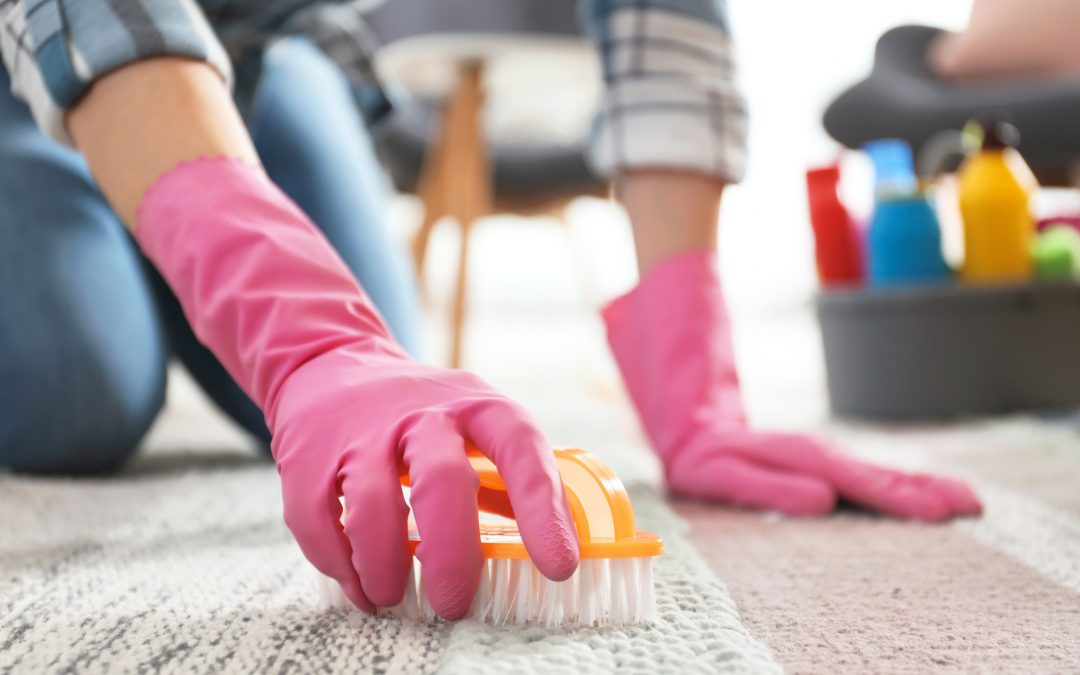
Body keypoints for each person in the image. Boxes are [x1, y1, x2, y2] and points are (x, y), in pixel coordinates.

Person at [0, 0, 980, 620]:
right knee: (77, 391)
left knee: (388, 403)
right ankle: (85, 178)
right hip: (31, 54)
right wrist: (304, 337)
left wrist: (696, 388)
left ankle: (167, 183)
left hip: (260, 47)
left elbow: (661, 22)